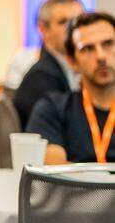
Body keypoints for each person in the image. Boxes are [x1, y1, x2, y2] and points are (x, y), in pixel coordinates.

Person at [27, 11, 115, 164]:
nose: (101, 56)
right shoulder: (53, 108)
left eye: (108, 44)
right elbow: (55, 174)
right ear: (72, 61)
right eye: (87, 49)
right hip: (72, 189)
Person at [12, 0, 85, 127]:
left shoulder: (78, 68)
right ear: (43, 29)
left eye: (79, 21)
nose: (74, 28)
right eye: (64, 22)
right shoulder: (41, 78)